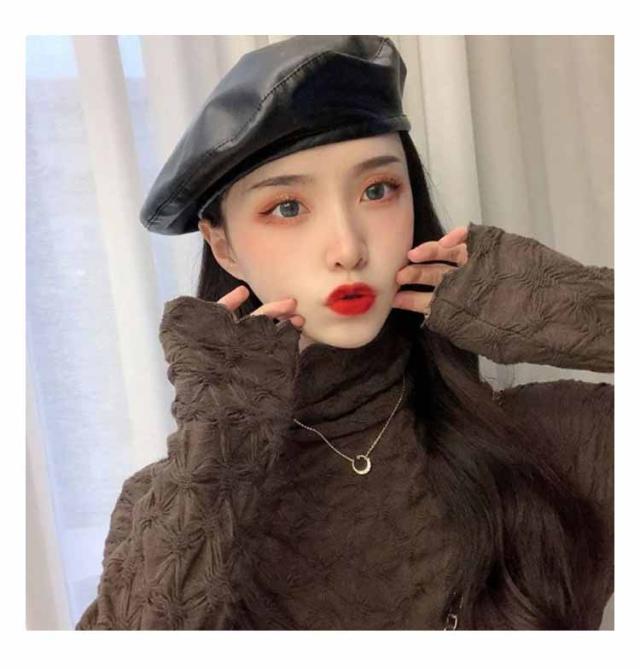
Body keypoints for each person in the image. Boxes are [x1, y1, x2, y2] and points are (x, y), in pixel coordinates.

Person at [75, 35, 613, 631]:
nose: (349, 248)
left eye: (377, 190)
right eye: (288, 206)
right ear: (223, 245)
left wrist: (583, 311)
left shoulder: (556, 441)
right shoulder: (172, 506)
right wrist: (219, 439)